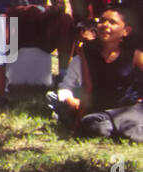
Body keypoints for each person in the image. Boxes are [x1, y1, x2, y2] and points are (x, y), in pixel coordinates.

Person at [48, 7, 143, 141]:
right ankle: (128, 131)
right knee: (93, 124)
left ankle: (127, 130)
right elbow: (88, 88)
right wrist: (77, 125)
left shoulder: (134, 54)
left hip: (130, 109)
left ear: (125, 31)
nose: (105, 25)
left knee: (121, 121)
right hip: (103, 113)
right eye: (102, 21)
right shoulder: (87, 51)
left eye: (112, 22)